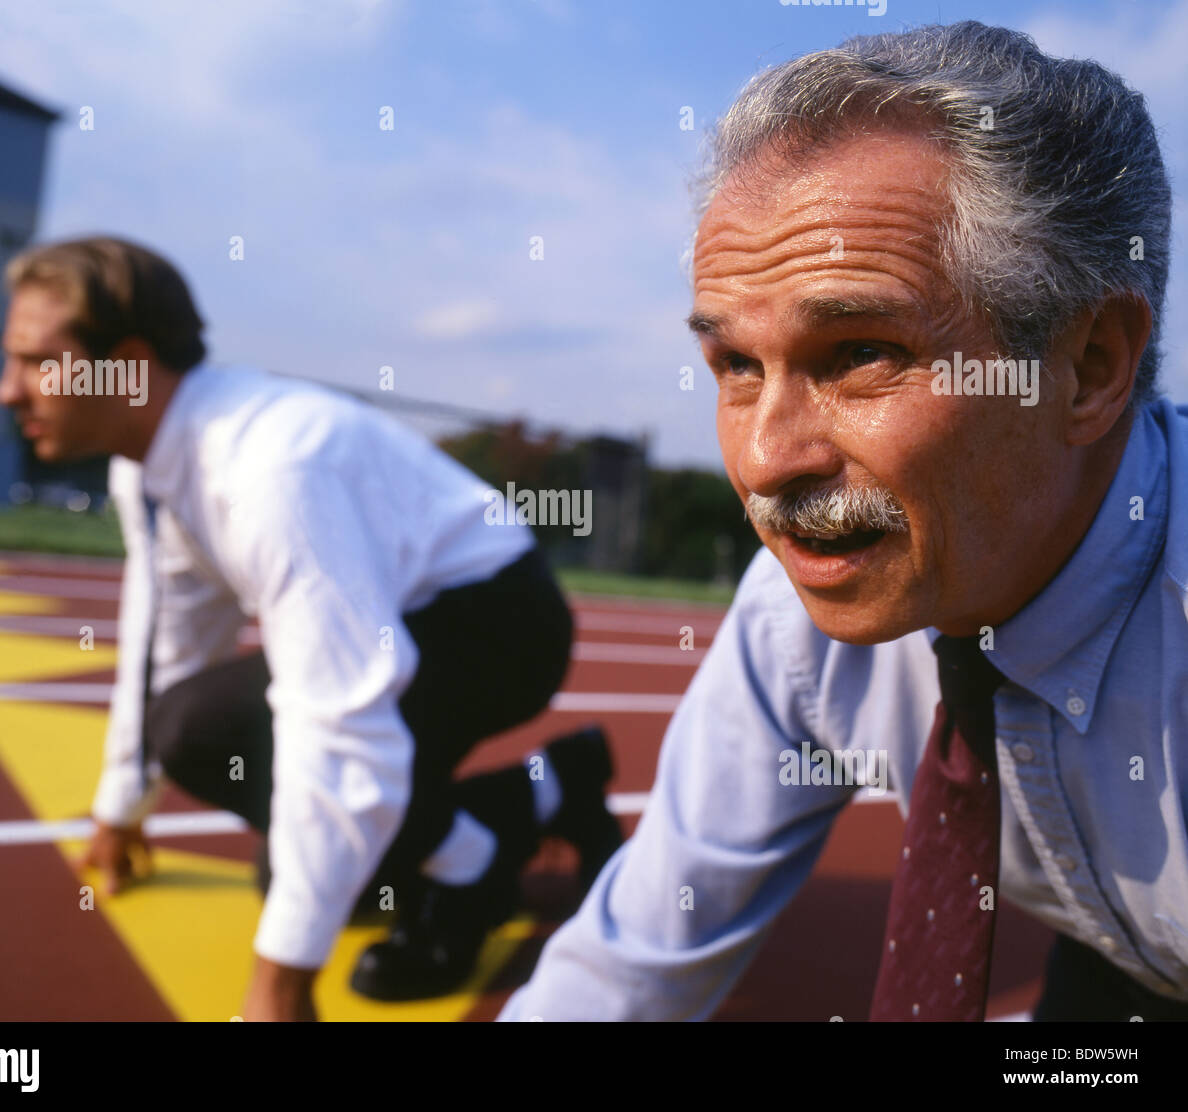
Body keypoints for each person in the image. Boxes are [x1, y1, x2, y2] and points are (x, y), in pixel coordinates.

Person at [501, 21, 1188, 1022]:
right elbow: (632, 959)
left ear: (1088, 366)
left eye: (861, 351)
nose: (767, 460)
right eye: (736, 366)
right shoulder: (795, 618)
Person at [0, 236, 622, 1019]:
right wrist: (123, 803)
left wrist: (281, 985)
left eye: (34, 361)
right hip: (421, 614)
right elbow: (173, 633)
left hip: (498, 621)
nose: (6, 391)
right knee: (197, 737)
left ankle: (473, 875)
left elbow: (346, 721)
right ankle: (548, 789)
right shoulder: (144, 467)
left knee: (319, 835)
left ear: (123, 361)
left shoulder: (270, 472)